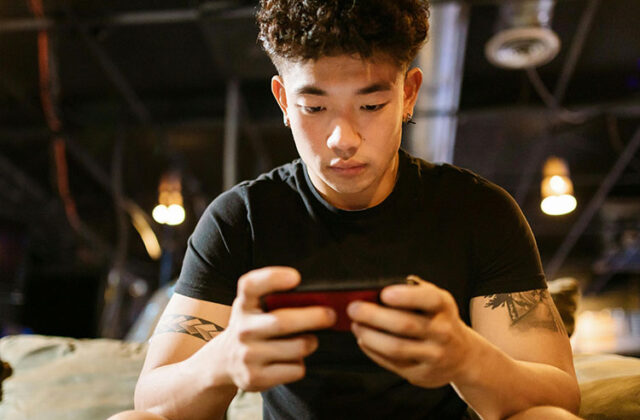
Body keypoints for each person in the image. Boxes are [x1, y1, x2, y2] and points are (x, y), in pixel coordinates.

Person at [110, 1, 581, 419]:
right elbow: (151, 400)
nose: (343, 140)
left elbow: (560, 397)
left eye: (372, 104)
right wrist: (223, 360)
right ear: (283, 102)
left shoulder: (479, 211)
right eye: (314, 108)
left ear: (409, 94)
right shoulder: (240, 220)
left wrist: (467, 360)